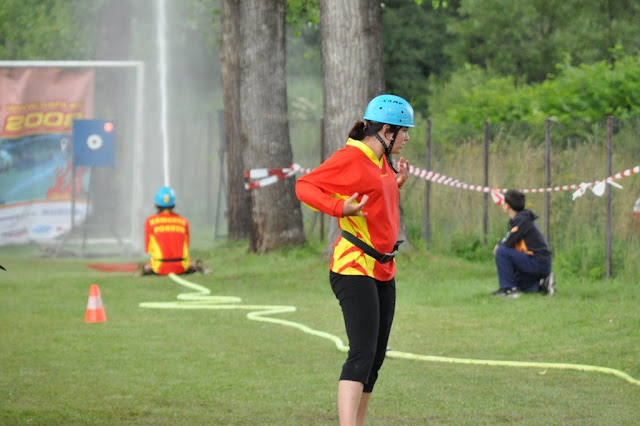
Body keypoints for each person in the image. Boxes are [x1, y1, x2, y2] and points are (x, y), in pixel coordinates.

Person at [295, 94, 413, 425]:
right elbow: (304, 186)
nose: (407, 138)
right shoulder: (351, 158)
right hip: (353, 266)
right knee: (361, 354)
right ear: (387, 131)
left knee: (375, 358)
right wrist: (338, 208)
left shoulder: (381, 161)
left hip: (383, 268)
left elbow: (375, 198)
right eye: (404, 131)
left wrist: (396, 185)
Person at [135, 186, 211, 276]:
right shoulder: (184, 221)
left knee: (153, 265)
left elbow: (148, 248)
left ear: (156, 205)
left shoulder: (150, 221)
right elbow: (186, 245)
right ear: (174, 204)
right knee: (188, 264)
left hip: (160, 267)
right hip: (182, 267)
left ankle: (144, 270)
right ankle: (198, 267)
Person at [492, 189, 555, 298]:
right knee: (517, 282)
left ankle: (509, 290)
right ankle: (542, 284)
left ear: (508, 206)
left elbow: (508, 242)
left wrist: (498, 245)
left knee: (501, 251)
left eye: (504, 203)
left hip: (538, 262)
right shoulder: (520, 219)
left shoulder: (522, 221)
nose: (502, 205)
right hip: (539, 263)